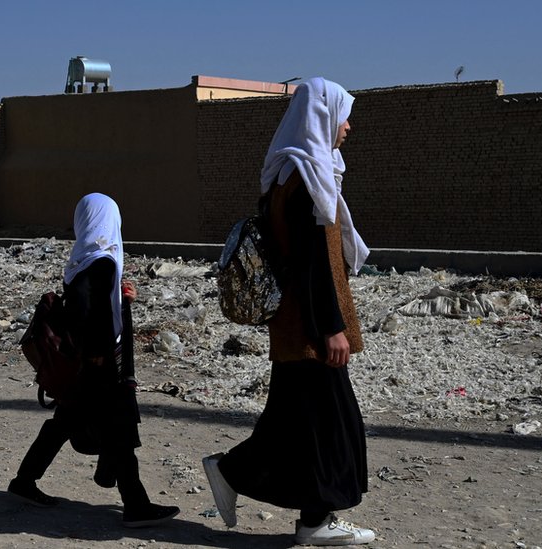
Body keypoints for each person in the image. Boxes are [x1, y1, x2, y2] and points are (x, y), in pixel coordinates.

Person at [203, 77, 374, 546]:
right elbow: (311, 265)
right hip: (310, 329)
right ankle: (312, 519)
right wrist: (331, 329)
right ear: (321, 116)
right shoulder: (305, 180)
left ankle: (239, 476)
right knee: (331, 425)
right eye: (342, 116)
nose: (348, 127)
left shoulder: (291, 173)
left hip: (298, 327)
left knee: (294, 423)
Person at [9, 192, 180, 528]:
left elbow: (93, 309)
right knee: (119, 432)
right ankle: (136, 505)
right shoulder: (101, 262)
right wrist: (102, 361)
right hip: (100, 366)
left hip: (87, 365)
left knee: (64, 423)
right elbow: (90, 315)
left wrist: (123, 300)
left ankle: (24, 482)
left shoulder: (82, 259)